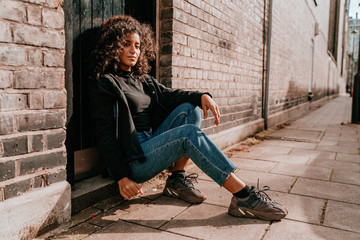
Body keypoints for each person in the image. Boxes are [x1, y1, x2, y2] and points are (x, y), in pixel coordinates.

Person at [89, 15, 288, 221]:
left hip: (150, 144)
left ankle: (177, 179)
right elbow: (105, 134)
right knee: (188, 134)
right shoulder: (106, 84)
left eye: (138, 46)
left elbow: (171, 95)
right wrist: (121, 177)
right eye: (127, 44)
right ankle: (244, 196)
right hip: (131, 159)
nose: (134, 51)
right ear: (113, 46)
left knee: (190, 108)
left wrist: (202, 96)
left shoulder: (143, 80)